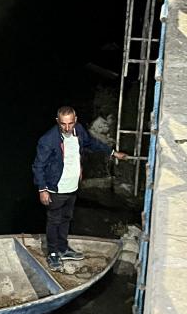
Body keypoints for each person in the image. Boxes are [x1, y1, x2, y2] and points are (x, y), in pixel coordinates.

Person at [32, 106, 127, 270]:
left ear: (75, 120)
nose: (67, 128)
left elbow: (93, 143)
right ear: (57, 122)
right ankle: (53, 253)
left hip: (72, 187)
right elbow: (38, 166)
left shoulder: (79, 131)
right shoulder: (48, 140)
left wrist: (112, 153)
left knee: (66, 218)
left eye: (70, 123)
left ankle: (63, 248)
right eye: (63, 124)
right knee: (54, 221)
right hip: (56, 189)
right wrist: (43, 189)